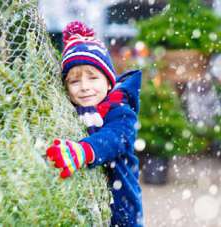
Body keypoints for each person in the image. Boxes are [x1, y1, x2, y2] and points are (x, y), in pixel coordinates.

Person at [46, 21, 143, 226]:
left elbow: (116, 138)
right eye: (74, 81)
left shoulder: (120, 111)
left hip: (121, 213)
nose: (84, 87)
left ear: (109, 82)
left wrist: (84, 151)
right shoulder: (68, 113)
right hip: (87, 211)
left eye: (93, 78)